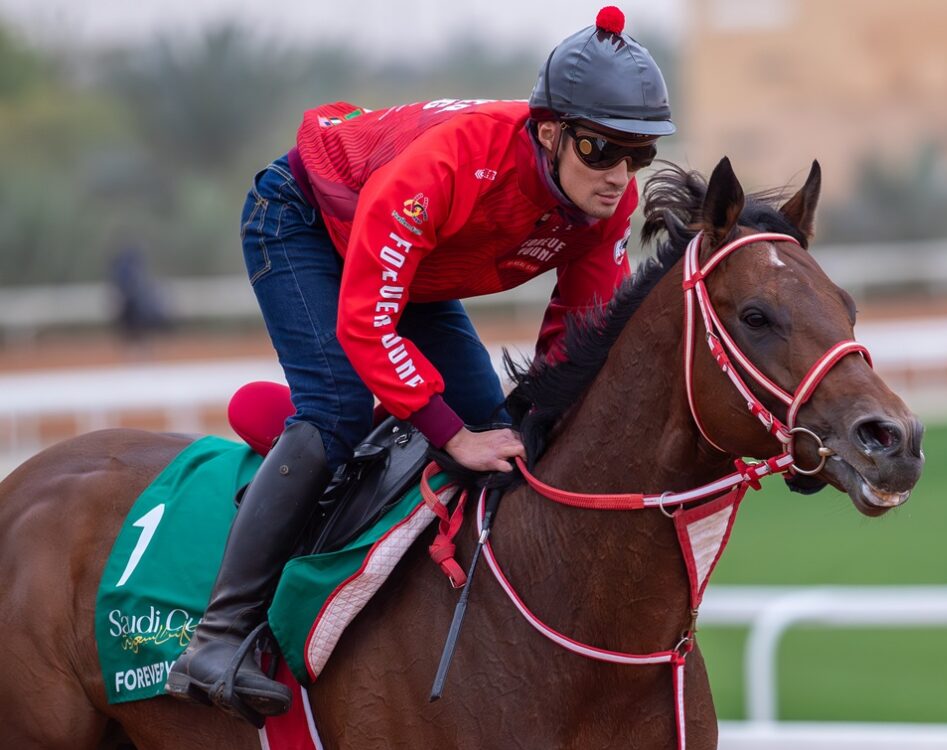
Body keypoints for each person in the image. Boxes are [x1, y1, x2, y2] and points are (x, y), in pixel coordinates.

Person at [166, 6, 674, 719]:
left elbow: (576, 342)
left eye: (638, 155)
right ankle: (216, 639)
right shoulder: (455, 160)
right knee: (339, 412)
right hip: (305, 224)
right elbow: (366, 321)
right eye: (601, 150)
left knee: (504, 433)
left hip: (420, 269)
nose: (620, 175)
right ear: (551, 132)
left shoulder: (603, 207)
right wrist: (447, 431)